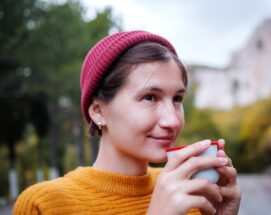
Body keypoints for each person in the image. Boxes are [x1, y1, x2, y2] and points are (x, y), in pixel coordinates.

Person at [13, 30, 241, 214]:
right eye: (149, 97)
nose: (172, 120)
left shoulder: (188, 191)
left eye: (177, 99)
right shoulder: (44, 206)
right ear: (98, 111)